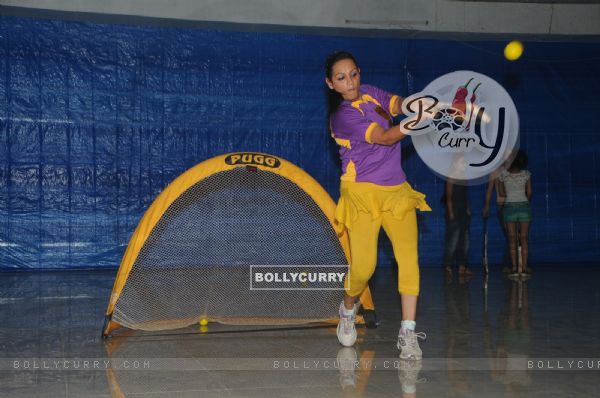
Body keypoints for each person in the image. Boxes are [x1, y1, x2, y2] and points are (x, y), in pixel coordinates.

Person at [325, 51, 431, 360]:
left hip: (396, 190)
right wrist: (418, 121)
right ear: (331, 84)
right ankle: (347, 309)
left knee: (409, 260)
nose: (351, 82)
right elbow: (385, 137)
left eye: (353, 74)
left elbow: (397, 104)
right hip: (362, 193)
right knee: (364, 266)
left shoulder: (371, 92)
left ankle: (408, 332)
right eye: (342, 78)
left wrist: (416, 105)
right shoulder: (342, 117)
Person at [498, 150, 532, 279]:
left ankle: (513, 267)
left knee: (511, 239)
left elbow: (501, 193)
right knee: (524, 238)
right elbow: (530, 193)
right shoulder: (526, 174)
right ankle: (523, 268)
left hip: (509, 208)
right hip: (524, 207)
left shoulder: (503, 175)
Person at [483, 163, 510, 272]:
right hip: (502, 205)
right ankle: (508, 264)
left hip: (513, 204)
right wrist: (486, 206)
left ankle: (515, 264)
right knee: (510, 235)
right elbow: (489, 191)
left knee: (515, 236)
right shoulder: (494, 172)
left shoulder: (511, 170)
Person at [442, 180, 472, 277]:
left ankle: (462, 265)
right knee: (453, 240)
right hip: (454, 210)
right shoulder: (451, 179)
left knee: (465, 240)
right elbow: (449, 197)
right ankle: (447, 265)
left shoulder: (463, 179)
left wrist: (467, 209)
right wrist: (451, 212)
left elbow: (465, 196)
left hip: (463, 210)